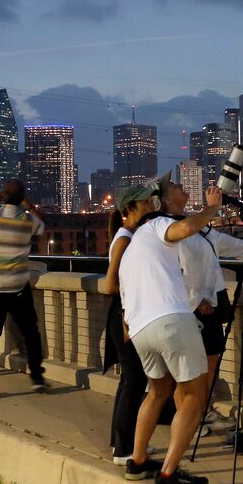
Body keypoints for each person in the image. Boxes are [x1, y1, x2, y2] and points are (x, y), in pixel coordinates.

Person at [119, 184, 223, 484]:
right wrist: (213, 208)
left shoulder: (131, 249)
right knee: (193, 395)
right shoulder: (155, 224)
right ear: (148, 205)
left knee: (157, 391)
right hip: (171, 320)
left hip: (140, 329)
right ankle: (168, 474)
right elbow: (186, 227)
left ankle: (137, 462)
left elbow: (125, 303)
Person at [161, 181, 243, 432]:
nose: (182, 186)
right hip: (190, 308)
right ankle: (188, 420)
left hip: (212, 299)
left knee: (210, 361)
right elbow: (171, 269)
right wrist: (196, 300)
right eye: (176, 186)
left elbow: (218, 241)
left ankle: (202, 411)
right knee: (187, 369)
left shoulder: (195, 225)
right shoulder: (169, 228)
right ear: (166, 199)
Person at [0, 179, 49, 399]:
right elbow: (43, 225)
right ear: (21, 198)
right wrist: (28, 204)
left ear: (3, 196)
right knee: (31, 333)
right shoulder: (27, 220)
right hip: (17, 287)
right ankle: (36, 377)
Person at [103, 185, 156, 465]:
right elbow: (110, 284)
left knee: (130, 381)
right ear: (131, 208)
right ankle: (124, 450)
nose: (151, 204)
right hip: (123, 315)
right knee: (134, 380)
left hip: (126, 314)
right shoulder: (125, 238)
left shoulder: (131, 235)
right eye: (146, 202)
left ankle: (120, 443)